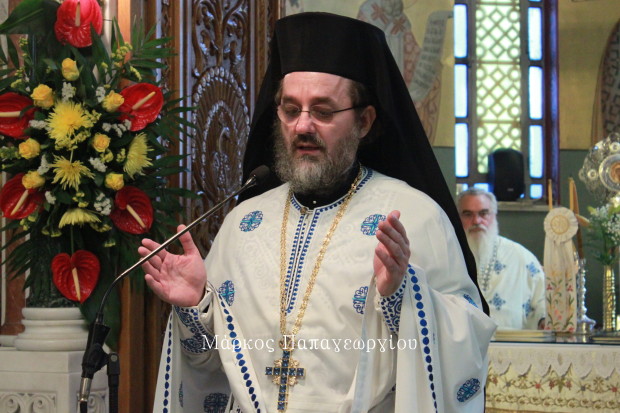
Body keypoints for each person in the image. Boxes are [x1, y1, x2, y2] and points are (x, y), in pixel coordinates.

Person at [142, 12, 495, 413]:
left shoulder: (415, 216)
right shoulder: (244, 224)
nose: (302, 126)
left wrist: (404, 297)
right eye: (290, 109)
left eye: (323, 111)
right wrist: (196, 308)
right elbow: (212, 366)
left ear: (364, 121)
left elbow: (467, 344)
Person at [457, 187, 546, 330]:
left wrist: (544, 319)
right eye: (468, 214)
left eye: (483, 213)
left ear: (494, 215)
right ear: (458, 218)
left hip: (513, 340)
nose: (476, 221)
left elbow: (543, 299)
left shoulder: (520, 256)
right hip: (463, 338)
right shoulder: (449, 255)